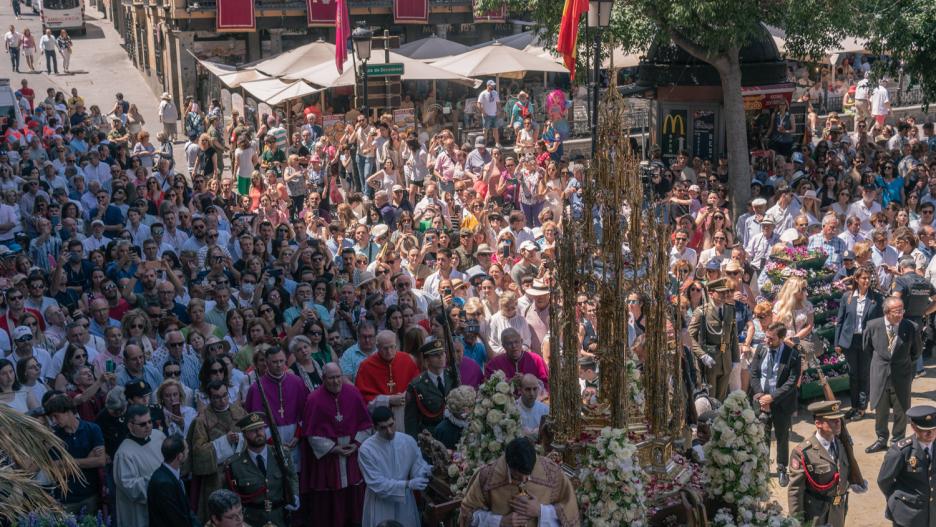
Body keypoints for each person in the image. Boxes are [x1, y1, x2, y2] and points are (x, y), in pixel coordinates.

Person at [300, 363, 372, 527]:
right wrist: (333, 448)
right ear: (323, 379)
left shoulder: (353, 393)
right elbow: (311, 434)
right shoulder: (314, 399)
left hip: (352, 455)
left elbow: (366, 424)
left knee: (355, 499)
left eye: (338, 377)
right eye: (331, 378)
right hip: (328, 459)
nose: (336, 381)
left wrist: (356, 444)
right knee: (330, 504)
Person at [459, 436, 579, 527]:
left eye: (528, 475)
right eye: (517, 476)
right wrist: (500, 521)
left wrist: (541, 511)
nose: (523, 481)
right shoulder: (487, 477)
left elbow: (570, 511)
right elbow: (467, 515)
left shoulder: (551, 473)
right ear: (508, 464)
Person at [865, 297, 922, 453]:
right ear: (887, 312)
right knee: (881, 410)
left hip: (901, 375)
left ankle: (898, 440)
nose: (901, 314)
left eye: (902, 310)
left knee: (901, 410)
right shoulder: (873, 326)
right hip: (880, 374)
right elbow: (868, 348)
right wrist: (881, 364)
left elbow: (916, 352)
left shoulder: (911, 327)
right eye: (897, 311)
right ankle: (881, 439)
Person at [358, 406, 431, 527]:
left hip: (404, 502)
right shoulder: (366, 449)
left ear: (395, 420)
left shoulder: (408, 440)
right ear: (375, 427)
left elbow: (417, 466)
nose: (389, 431)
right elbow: (377, 484)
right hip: (381, 503)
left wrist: (425, 471)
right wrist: (407, 484)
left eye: (391, 425)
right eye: (383, 428)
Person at [749, 322, 801, 487]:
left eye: (771, 339)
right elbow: (754, 373)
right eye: (766, 336)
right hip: (761, 402)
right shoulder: (762, 349)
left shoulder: (792, 355)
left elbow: (791, 382)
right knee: (762, 437)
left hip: (781, 404)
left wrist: (772, 398)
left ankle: (781, 468)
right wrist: (760, 396)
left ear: (781, 338)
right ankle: (763, 469)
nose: (767, 340)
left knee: (781, 437)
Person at [188, 380, 248, 521]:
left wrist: (239, 439)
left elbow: (252, 436)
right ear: (209, 398)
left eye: (225, 395)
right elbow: (198, 453)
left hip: (242, 474)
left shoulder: (240, 412)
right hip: (215, 479)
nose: (222, 400)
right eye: (217, 397)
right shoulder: (202, 420)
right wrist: (224, 443)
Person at [788, 400, 855, 527]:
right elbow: (795, 491)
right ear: (818, 423)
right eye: (832, 420)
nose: (838, 422)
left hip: (838, 512)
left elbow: (844, 472)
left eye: (839, 419)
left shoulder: (843, 445)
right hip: (816, 516)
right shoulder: (803, 453)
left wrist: (854, 482)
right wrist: (796, 521)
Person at [226, 412, 298, 527]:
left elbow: (292, 476)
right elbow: (233, 498)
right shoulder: (235, 464)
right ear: (244, 434)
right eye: (252, 430)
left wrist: (294, 495)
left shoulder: (281, 455)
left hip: (279, 518)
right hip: (252, 520)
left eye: (260, 428)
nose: (258, 433)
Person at [244, 346, 309, 467]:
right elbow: (255, 422)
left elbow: (305, 412)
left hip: (295, 440)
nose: (279, 365)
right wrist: (273, 441)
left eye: (281, 361)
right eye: (274, 362)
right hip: (269, 443)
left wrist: (297, 436)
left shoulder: (297, 382)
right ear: (267, 363)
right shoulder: (256, 388)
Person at [834, 267, 884, 420]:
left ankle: (862, 407)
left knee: (864, 375)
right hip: (849, 341)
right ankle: (854, 405)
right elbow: (840, 321)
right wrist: (837, 342)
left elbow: (881, 322)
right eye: (863, 278)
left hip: (866, 342)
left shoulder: (876, 297)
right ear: (856, 279)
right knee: (853, 375)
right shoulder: (847, 297)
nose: (866, 281)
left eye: (868, 278)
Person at [44, 394, 106, 515]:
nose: (54, 421)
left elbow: (101, 461)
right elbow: (58, 473)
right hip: (66, 500)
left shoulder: (92, 429)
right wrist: (88, 459)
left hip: (90, 494)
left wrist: (67, 463)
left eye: (56, 416)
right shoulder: (54, 438)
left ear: (67, 411)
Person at [878, 405, 936, 527]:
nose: (930, 433)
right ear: (914, 427)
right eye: (925, 429)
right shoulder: (901, 451)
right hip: (908, 515)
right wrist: (898, 500)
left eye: (934, 428)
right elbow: (884, 481)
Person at [114, 404, 167, 527]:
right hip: (140, 511)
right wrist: (159, 480)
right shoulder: (124, 454)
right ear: (130, 426)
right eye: (142, 424)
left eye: (150, 421)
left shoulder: (158, 436)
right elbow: (130, 487)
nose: (148, 426)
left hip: (162, 504)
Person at [688, 277, 739, 401]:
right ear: (711, 293)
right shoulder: (702, 312)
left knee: (721, 400)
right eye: (720, 292)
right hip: (710, 361)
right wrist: (702, 355)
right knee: (711, 399)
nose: (724, 295)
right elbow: (690, 337)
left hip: (725, 360)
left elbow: (733, 336)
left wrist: (735, 358)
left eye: (726, 292)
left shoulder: (729, 309)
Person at [354, 329, 419, 426]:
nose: (389, 352)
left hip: (406, 414)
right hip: (380, 419)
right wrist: (388, 400)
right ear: (377, 347)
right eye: (385, 348)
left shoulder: (407, 359)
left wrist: (406, 396)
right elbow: (363, 398)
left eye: (392, 347)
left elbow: (417, 385)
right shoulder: (366, 366)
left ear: (396, 345)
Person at [403, 339, 455, 437]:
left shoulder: (453, 377)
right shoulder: (417, 385)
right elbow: (411, 420)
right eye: (435, 355)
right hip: (431, 435)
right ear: (427, 360)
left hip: (452, 432)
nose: (440, 357)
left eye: (442, 353)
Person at [147, 433, 200, 527]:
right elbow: (176, 519)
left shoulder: (170, 474)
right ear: (179, 456)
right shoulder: (163, 484)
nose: (188, 451)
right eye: (186, 449)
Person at [484, 328, 549, 388]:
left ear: (521, 341)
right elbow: (487, 386)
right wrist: (508, 382)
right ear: (503, 345)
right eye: (509, 343)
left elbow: (546, 384)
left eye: (516, 342)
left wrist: (527, 380)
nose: (514, 346)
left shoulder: (536, 359)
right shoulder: (494, 363)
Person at [516, 373, 549, 441]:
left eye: (535, 389)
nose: (532, 393)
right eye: (528, 389)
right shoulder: (513, 409)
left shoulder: (545, 409)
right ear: (520, 390)